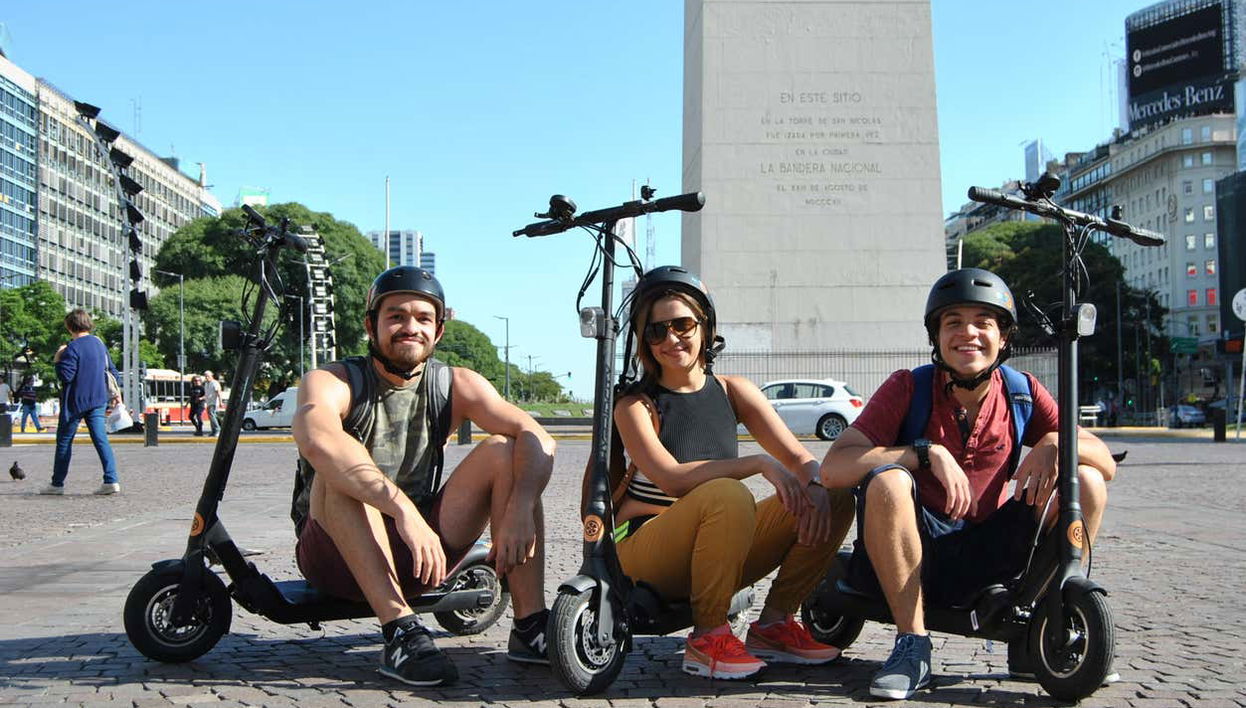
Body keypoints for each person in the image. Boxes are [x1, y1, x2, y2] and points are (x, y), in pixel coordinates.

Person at [820, 268, 1117, 700]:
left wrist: (1054, 442)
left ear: (1003, 337)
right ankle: (912, 646)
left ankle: (1039, 631)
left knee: (1086, 480)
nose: (968, 333)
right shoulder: (908, 387)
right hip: (915, 546)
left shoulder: (1022, 391)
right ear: (936, 336)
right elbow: (834, 468)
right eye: (953, 322)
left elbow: (1106, 462)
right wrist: (923, 453)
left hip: (990, 548)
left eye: (983, 322)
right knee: (887, 482)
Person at [291, 265, 555, 688]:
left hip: (420, 557)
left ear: (439, 331)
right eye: (395, 315)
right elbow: (316, 437)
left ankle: (529, 626)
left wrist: (521, 504)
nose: (409, 327)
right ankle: (401, 632)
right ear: (370, 325)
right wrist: (403, 511)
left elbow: (536, 435)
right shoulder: (333, 380)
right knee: (338, 471)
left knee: (506, 451)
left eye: (423, 318)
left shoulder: (453, 384)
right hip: (335, 554)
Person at [612, 266, 854, 680]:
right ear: (644, 342)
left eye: (682, 324)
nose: (671, 339)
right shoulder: (636, 405)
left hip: (718, 547)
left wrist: (813, 481)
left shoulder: (733, 390)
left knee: (834, 494)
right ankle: (708, 637)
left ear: (705, 326)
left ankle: (774, 624)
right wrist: (756, 463)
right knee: (727, 493)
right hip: (643, 552)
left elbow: (799, 456)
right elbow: (670, 477)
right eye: (656, 332)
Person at [41, 309, 124, 496]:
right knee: (100, 439)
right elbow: (112, 371)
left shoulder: (72, 347)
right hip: (98, 399)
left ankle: (57, 484)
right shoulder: (99, 344)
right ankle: (111, 480)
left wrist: (57, 359)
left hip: (75, 402)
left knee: (64, 441)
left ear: (70, 326)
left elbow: (66, 375)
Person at [203, 370, 223, 436]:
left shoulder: (215, 383)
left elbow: (218, 392)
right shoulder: (206, 384)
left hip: (214, 402)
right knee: (211, 416)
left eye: (208, 376)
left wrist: (220, 402)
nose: (206, 377)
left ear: (211, 376)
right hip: (208, 402)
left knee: (212, 415)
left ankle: (217, 429)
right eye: (205, 376)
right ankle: (213, 431)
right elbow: (207, 394)